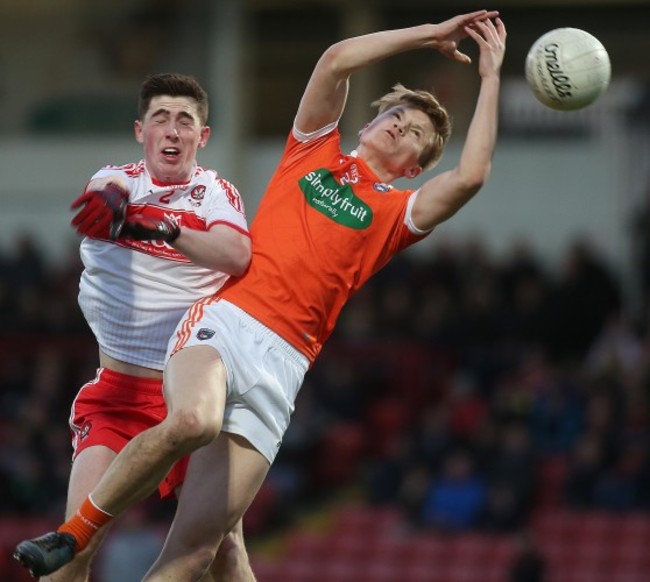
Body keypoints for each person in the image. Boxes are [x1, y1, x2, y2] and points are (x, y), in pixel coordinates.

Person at [15, 11, 506, 580]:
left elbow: (470, 176)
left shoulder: (398, 213)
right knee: (194, 423)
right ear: (369, 125)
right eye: (394, 115)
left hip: (286, 365)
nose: (399, 126)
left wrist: (491, 76)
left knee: (203, 552)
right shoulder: (312, 152)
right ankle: (72, 535)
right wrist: (429, 33)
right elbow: (335, 60)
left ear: (415, 166)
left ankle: (78, 536)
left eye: (415, 132)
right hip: (228, 322)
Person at [18, 73, 255, 581]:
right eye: (160, 119)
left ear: (203, 136)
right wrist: (118, 212)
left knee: (223, 553)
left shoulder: (215, 193)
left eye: (185, 121)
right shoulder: (114, 180)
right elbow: (107, 195)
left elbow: (237, 255)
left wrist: (162, 227)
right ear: (140, 131)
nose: (172, 131)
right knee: (73, 547)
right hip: (120, 398)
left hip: (193, 397)